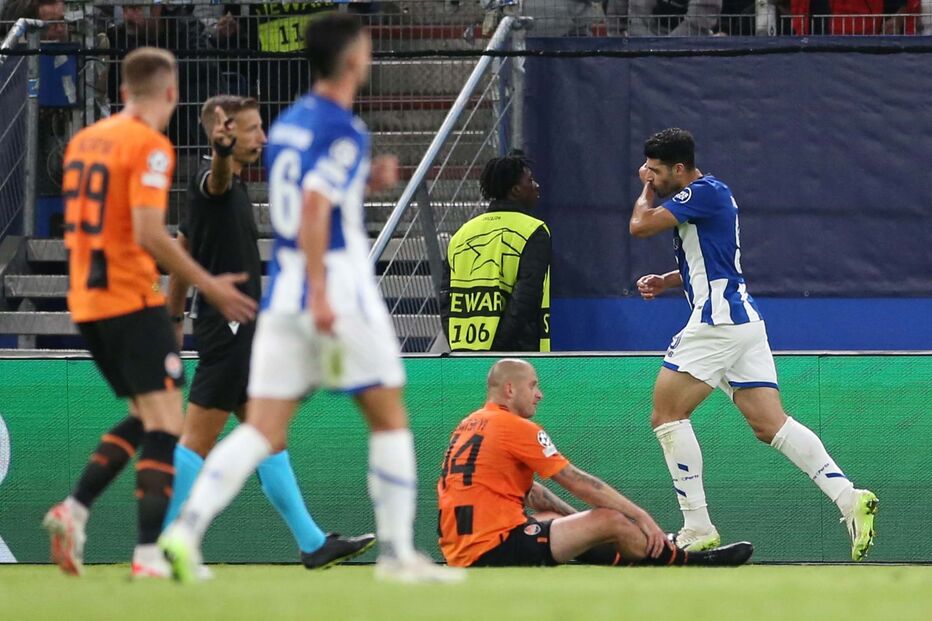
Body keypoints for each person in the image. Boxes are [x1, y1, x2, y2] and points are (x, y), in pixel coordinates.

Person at [159, 14, 464, 585]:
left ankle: (183, 531)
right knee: (390, 421)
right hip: (336, 286)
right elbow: (318, 205)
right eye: (366, 47)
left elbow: (308, 191)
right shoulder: (342, 127)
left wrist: (364, 180)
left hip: (283, 295)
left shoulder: (291, 125)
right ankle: (399, 556)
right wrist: (326, 293)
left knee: (259, 431)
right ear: (351, 59)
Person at [42, 47, 256, 578]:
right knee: (166, 423)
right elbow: (148, 232)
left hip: (86, 301)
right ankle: (145, 553)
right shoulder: (151, 146)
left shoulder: (86, 142)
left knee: (147, 416)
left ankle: (76, 510)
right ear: (172, 94)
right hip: (128, 298)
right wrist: (209, 284)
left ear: (121, 93)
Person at [628, 127, 877, 560]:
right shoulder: (711, 195)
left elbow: (639, 226)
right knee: (770, 424)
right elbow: (714, 259)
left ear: (680, 170)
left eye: (656, 171)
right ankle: (848, 497)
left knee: (667, 414)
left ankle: (696, 525)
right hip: (742, 322)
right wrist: (669, 281)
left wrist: (645, 191)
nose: (649, 176)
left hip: (717, 321)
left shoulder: (701, 192)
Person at [163, 94, 375, 569]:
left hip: (240, 326)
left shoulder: (226, 190)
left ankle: (313, 542)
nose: (262, 136)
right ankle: (159, 541)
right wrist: (219, 155)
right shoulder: (212, 181)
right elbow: (213, 183)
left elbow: (182, 251)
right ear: (225, 133)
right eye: (254, 128)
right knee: (197, 440)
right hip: (229, 326)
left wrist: (174, 319)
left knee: (267, 437)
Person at [438, 359, 754, 568]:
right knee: (609, 520)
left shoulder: (469, 424)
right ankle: (686, 560)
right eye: (533, 385)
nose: (540, 395)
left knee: (553, 516)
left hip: (459, 548)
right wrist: (640, 517)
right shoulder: (516, 427)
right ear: (510, 389)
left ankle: (631, 556)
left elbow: (532, 493)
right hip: (492, 548)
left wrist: (580, 525)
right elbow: (577, 481)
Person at [441, 154, 551, 352]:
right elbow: (526, 297)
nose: (536, 186)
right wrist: (496, 349)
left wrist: (458, 344)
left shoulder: (462, 233)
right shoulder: (534, 231)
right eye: (530, 180)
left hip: (465, 351)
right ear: (516, 190)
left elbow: (445, 297)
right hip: (515, 353)